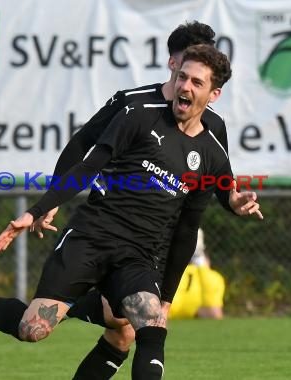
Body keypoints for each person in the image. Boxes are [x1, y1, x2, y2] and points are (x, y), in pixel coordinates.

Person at [0, 44, 235, 380]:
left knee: (147, 324)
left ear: (214, 93)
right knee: (33, 329)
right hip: (90, 238)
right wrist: (38, 210)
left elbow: (189, 227)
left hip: (138, 254)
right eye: (183, 77)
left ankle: (83, 305)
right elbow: (87, 163)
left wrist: (166, 296)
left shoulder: (212, 149)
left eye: (197, 82)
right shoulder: (137, 111)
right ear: (173, 69)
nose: (185, 86)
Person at [32, 21, 263, 379]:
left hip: (151, 244)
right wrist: (52, 198)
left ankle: (71, 305)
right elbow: (84, 145)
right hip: (101, 227)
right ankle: (60, 304)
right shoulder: (134, 105)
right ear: (175, 63)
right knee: (105, 325)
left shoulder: (212, 126)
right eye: (190, 64)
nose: (192, 79)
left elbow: (218, 181)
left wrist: (231, 199)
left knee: (129, 329)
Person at [168, 228, 226, 320]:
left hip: (175, 306)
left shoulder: (212, 276)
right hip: (183, 306)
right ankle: (196, 256)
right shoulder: (213, 276)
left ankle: (194, 255)